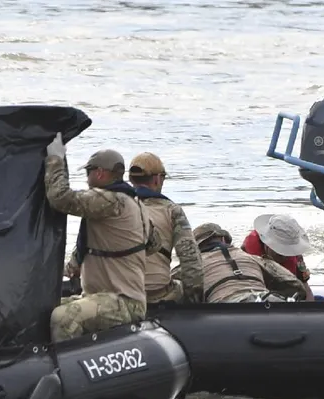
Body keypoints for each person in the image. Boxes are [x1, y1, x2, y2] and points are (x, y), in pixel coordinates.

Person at [44, 136, 149, 341]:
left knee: (63, 317)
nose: (86, 178)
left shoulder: (111, 200)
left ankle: (66, 369)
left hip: (123, 301)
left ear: (100, 173)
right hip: (103, 297)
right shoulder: (136, 204)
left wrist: (55, 159)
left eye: (88, 172)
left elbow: (60, 198)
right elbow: (151, 244)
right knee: (45, 308)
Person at [121, 152, 204, 304]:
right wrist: (194, 301)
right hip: (156, 296)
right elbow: (191, 261)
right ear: (157, 179)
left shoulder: (115, 208)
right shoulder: (172, 211)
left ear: (131, 179)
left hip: (120, 295)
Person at [194, 223, 309, 303]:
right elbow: (294, 284)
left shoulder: (191, 268)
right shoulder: (250, 257)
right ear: (224, 239)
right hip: (264, 300)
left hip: (224, 310)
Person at [242, 213, 314, 300]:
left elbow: (306, 288)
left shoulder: (296, 256)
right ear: (267, 243)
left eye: (288, 252)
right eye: (280, 253)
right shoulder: (247, 254)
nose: (285, 257)